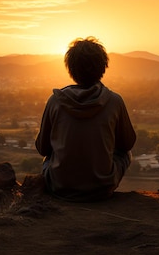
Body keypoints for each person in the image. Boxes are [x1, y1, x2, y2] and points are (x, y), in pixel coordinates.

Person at [35, 36, 136, 202]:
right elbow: (127, 144)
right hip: (102, 189)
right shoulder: (114, 101)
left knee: (49, 158)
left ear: (71, 68)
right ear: (103, 67)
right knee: (126, 154)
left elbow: (43, 149)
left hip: (59, 187)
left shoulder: (55, 101)